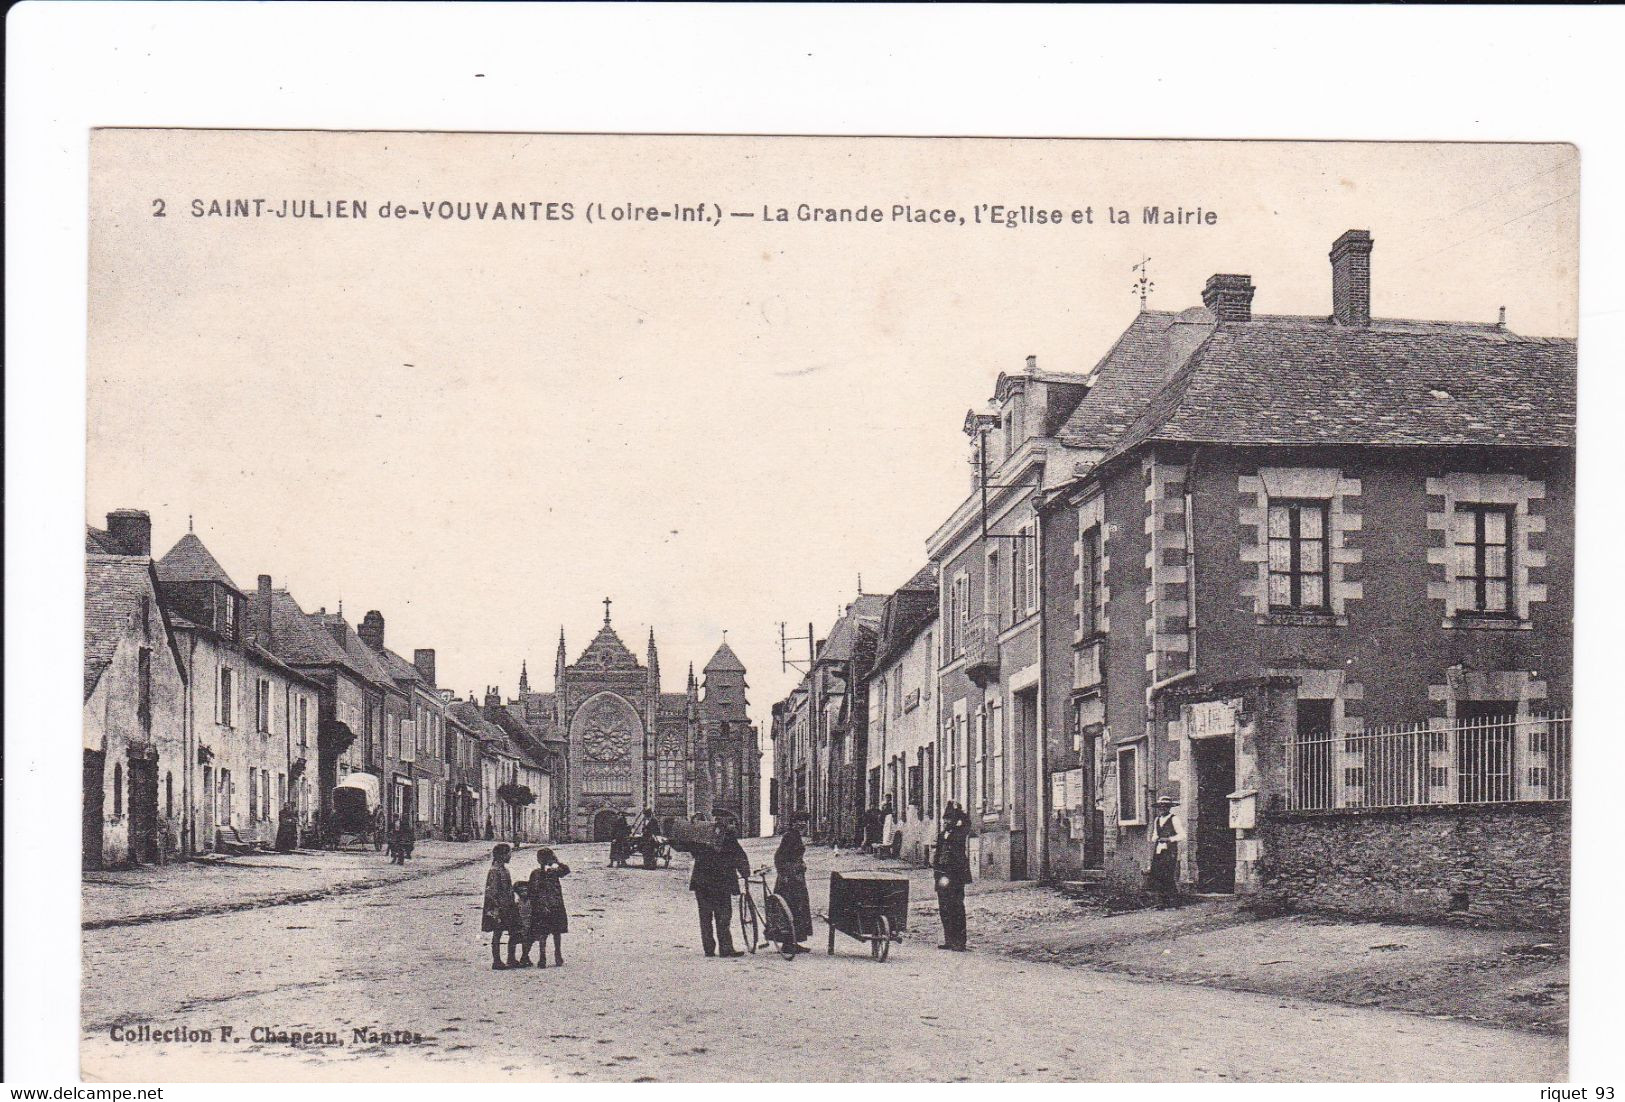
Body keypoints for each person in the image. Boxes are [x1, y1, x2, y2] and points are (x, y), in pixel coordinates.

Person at [679, 817, 751, 957]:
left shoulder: (702, 834)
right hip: (721, 883)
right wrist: (746, 874)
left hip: (702, 882)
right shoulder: (728, 838)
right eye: (731, 823)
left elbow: (690, 849)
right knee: (723, 915)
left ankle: (709, 949)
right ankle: (725, 948)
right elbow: (739, 857)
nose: (733, 826)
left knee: (705, 916)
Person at [770, 813, 813, 952]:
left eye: (804, 821)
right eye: (799, 821)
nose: (802, 824)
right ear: (793, 823)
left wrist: (801, 864)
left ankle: (793, 942)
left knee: (798, 908)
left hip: (796, 877)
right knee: (790, 908)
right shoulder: (789, 836)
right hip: (789, 879)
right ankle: (788, 944)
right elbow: (779, 857)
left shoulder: (795, 836)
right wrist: (785, 873)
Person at [524, 848, 572, 967]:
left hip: (546, 906)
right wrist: (558, 861)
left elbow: (532, 891)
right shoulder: (552, 872)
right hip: (553, 905)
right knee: (555, 932)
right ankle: (556, 955)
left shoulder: (539, 873)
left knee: (544, 933)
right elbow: (566, 870)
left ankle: (543, 957)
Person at [933, 802, 972, 951]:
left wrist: (959, 811)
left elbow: (968, 822)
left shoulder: (960, 833)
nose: (946, 822)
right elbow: (938, 855)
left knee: (957, 907)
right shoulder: (942, 835)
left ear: (955, 821)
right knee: (944, 908)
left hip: (955, 876)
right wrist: (936, 871)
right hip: (942, 875)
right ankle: (949, 940)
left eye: (949, 819)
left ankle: (960, 942)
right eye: (944, 819)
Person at [482, 843, 522, 969]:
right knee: (497, 933)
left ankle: (511, 958)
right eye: (508, 854)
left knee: (514, 931)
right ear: (502, 855)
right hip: (498, 907)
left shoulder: (503, 870)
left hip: (508, 905)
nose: (510, 856)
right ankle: (497, 961)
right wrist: (497, 908)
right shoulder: (495, 871)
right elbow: (492, 892)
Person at [1149, 795, 1186, 909]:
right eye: (1160, 807)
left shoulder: (1174, 819)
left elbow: (1182, 835)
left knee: (1168, 875)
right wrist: (1155, 838)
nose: (1162, 809)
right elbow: (1155, 834)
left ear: (1169, 808)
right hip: (1159, 850)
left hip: (1170, 851)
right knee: (1158, 875)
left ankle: (1175, 902)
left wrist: (1169, 839)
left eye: (1165, 806)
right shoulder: (1157, 820)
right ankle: (1162, 902)